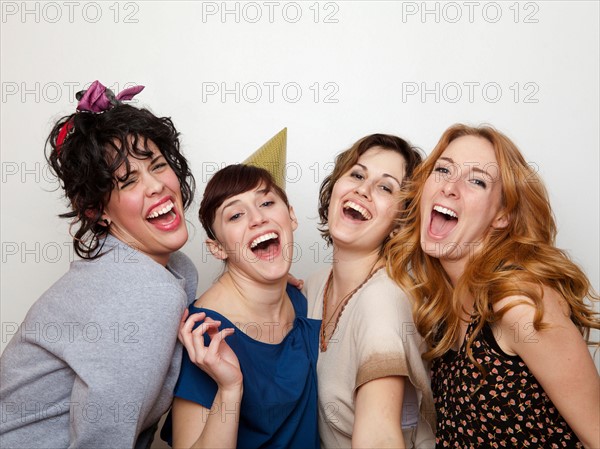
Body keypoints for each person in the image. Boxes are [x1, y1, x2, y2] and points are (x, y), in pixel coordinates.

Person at [0, 81, 198, 449]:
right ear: (97, 211)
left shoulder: (167, 270)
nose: (156, 186)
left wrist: (260, 286)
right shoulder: (139, 291)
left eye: (157, 165)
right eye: (128, 181)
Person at [386, 123, 600, 448]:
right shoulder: (444, 305)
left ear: (502, 215)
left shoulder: (518, 305)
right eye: (443, 169)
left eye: (477, 180)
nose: (450, 187)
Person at [161, 156, 320, 447]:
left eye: (267, 203)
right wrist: (230, 389)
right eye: (235, 215)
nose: (258, 218)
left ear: (292, 216)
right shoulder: (205, 334)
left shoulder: (303, 298)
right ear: (218, 248)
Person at [304, 134, 436, 448]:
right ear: (335, 188)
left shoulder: (383, 302)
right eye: (357, 174)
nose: (363, 189)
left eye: (385, 186)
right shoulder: (313, 285)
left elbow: (379, 434)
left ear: (400, 222)